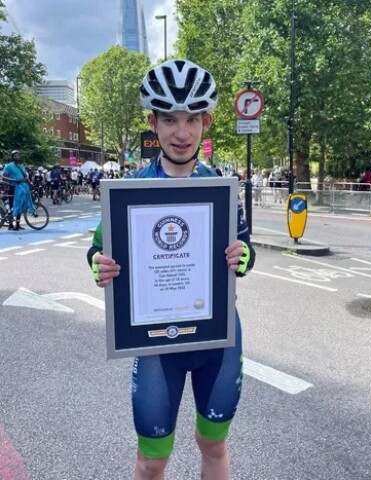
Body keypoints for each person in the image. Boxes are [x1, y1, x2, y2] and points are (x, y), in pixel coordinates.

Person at [87, 59, 256, 480]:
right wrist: (98, 265)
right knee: (152, 460)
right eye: (169, 120)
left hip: (215, 340)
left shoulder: (222, 188)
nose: (181, 132)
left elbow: (244, 248)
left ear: (206, 122)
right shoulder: (127, 192)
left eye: (191, 119)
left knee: (214, 446)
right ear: (153, 123)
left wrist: (245, 257)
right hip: (156, 346)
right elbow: (96, 249)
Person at [1, 150, 27, 230]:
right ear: (12, 157)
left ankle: (18, 224)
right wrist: (13, 180)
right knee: (13, 206)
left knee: (20, 206)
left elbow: (25, 175)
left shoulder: (22, 166)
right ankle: (11, 225)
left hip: (21, 187)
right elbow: (4, 177)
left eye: (18, 155)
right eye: (15, 155)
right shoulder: (9, 166)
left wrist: (26, 179)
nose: (17, 157)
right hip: (13, 188)